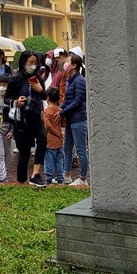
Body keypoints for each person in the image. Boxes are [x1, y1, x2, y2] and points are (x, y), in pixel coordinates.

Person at [10, 50, 48, 186]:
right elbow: (6, 98)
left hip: (36, 117)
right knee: (24, 152)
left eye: (35, 63)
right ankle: (21, 180)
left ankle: (35, 174)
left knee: (43, 139)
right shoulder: (16, 79)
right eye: (30, 62)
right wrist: (16, 101)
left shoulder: (38, 78)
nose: (33, 65)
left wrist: (40, 89)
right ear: (23, 62)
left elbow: (44, 96)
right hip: (22, 119)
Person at [60, 52, 88, 186]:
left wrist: (62, 112)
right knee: (67, 147)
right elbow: (67, 100)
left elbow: (77, 101)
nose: (65, 63)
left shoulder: (80, 81)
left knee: (81, 150)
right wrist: (58, 109)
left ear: (74, 65)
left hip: (79, 120)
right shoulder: (70, 80)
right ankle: (66, 174)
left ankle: (82, 178)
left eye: (68, 61)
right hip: (71, 119)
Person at [43, 87, 64, 184]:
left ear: (48, 98)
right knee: (59, 160)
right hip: (59, 140)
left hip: (50, 140)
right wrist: (59, 133)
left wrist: (56, 132)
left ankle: (48, 178)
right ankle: (60, 178)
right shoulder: (60, 110)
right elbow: (64, 123)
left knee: (49, 160)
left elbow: (47, 125)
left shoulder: (46, 111)